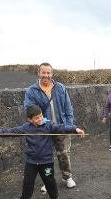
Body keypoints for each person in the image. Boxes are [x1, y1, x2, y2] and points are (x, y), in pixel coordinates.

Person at [0, 105, 85, 199]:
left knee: (49, 180)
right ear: (30, 119)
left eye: (41, 116)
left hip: (46, 161)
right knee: (27, 183)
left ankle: (54, 198)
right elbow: (13, 131)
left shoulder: (49, 125)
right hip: (31, 161)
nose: (40, 119)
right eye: (36, 118)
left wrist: (75, 129)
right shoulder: (26, 127)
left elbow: (62, 127)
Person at [24, 62, 77, 192]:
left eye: (48, 73)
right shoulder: (32, 91)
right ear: (39, 73)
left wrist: (69, 125)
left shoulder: (60, 88)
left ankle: (67, 176)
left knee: (64, 154)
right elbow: (28, 109)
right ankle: (48, 181)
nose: (46, 75)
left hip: (60, 126)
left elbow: (68, 108)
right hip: (43, 129)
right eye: (43, 72)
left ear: (52, 74)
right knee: (46, 157)